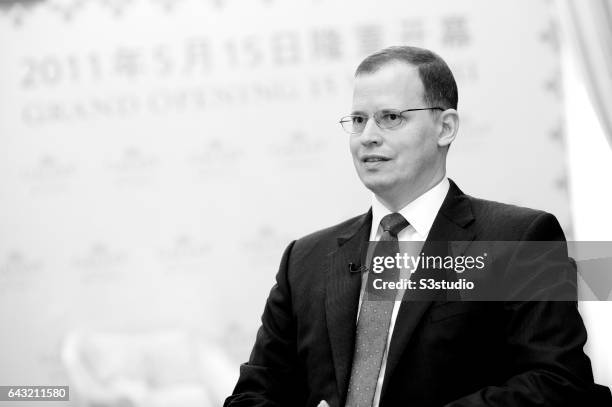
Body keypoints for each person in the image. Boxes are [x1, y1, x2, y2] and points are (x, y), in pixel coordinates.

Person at [224, 46, 611, 407]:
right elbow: (254, 394)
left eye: (390, 118)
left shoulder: (515, 239)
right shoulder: (305, 260)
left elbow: (558, 383)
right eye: (358, 120)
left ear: (445, 127)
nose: (368, 136)